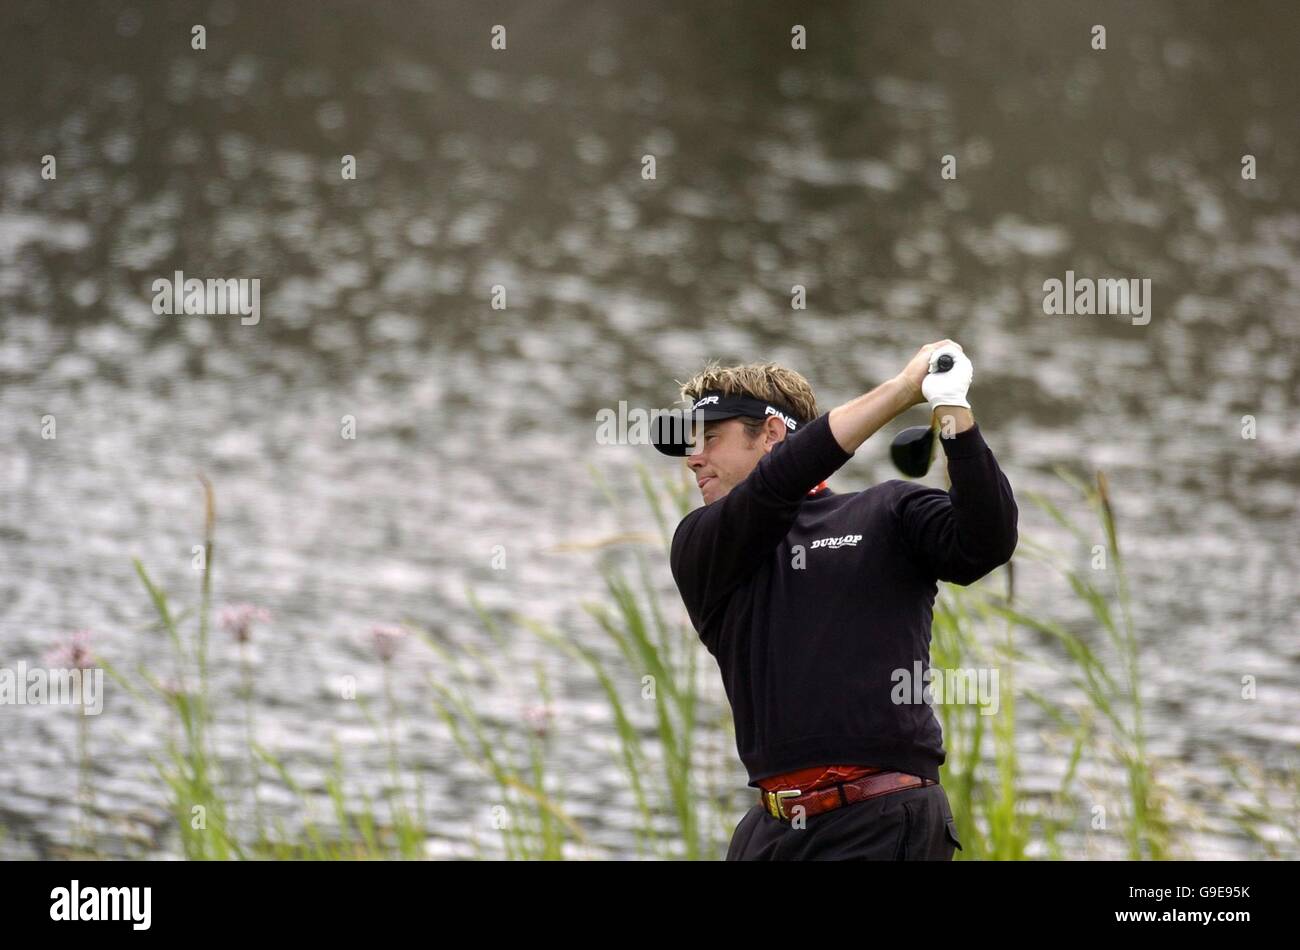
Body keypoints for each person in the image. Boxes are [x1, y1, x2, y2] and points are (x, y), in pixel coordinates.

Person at [650, 340, 1018, 860]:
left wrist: (950, 408)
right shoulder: (705, 543)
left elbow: (987, 541)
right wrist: (901, 391)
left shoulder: (888, 511)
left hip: (881, 820)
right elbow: (779, 483)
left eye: (711, 438)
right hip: (770, 831)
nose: (694, 459)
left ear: (772, 433)